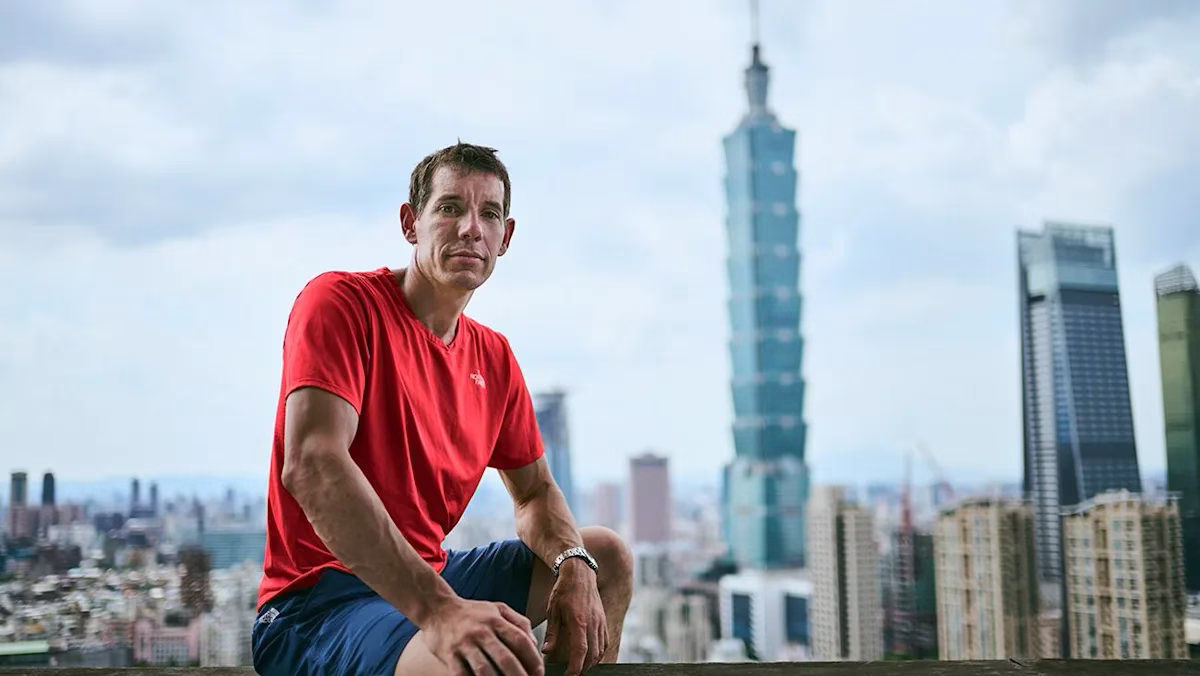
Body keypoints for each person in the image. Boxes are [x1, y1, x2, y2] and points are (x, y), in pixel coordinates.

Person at [250, 142, 634, 676]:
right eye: (450, 207)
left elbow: (535, 493)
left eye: (489, 214)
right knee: (477, 658)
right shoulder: (341, 303)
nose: (471, 228)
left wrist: (572, 563)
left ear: (505, 238)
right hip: (319, 606)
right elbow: (313, 465)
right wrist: (441, 612)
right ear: (411, 224)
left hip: (432, 578)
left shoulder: (493, 356)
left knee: (604, 557)